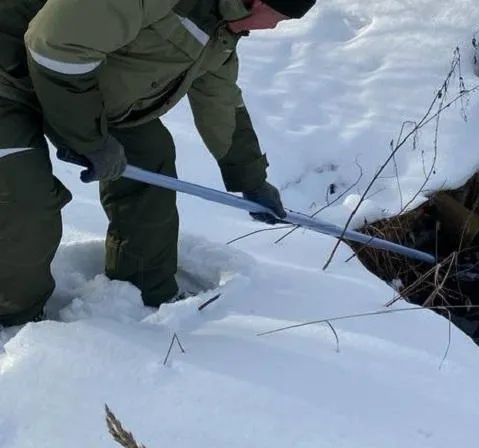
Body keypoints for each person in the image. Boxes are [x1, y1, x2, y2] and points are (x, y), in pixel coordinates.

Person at [0, 0, 315, 327]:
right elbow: (54, 42)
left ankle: (142, 290)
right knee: (23, 197)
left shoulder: (219, 30)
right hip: (9, 75)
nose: (274, 28)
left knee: (151, 156)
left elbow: (220, 103)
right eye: (277, 18)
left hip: (81, 90)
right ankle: (15, 316)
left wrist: (251, 180)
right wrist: (89, 140)